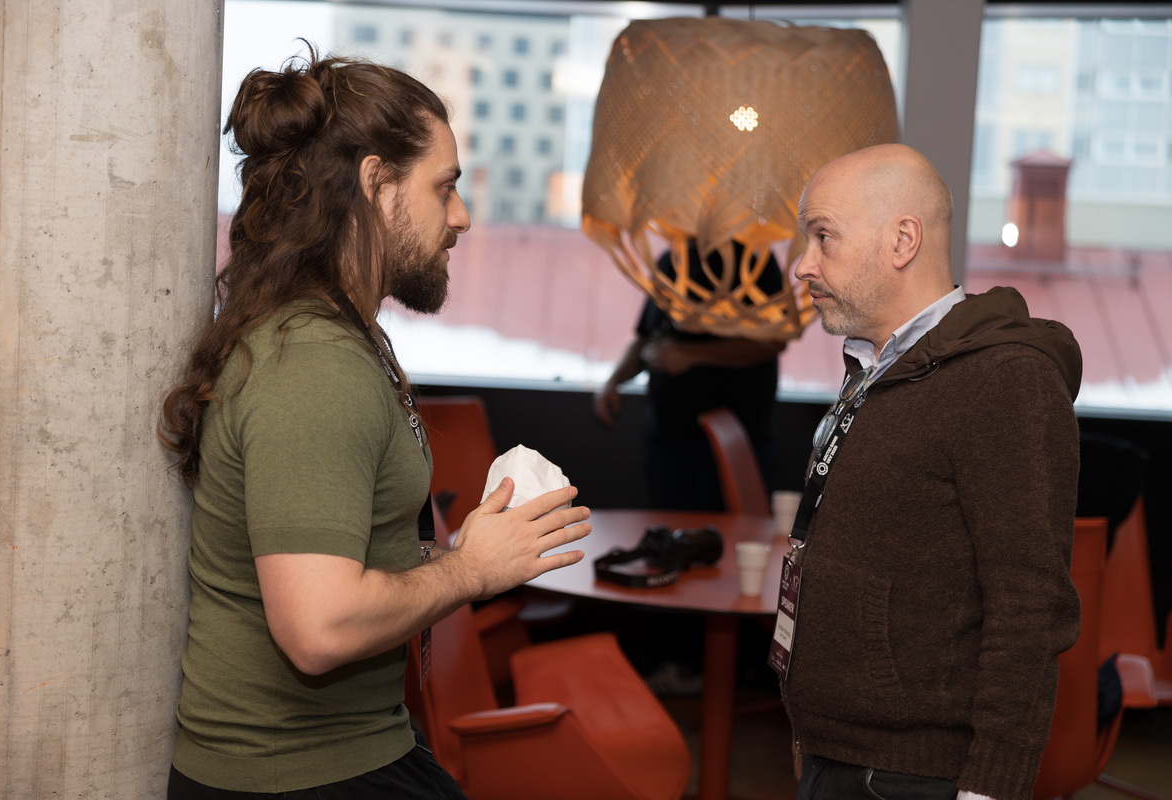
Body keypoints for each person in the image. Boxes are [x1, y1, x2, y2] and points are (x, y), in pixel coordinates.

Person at [158, 46, 591, 799]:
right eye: (444, 187)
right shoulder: (313, 365)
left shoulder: (338, 337)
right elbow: (319, 628)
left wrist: (460, 552)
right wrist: (471, 570)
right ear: (375, 184)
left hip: (349, 752)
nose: (461, 216)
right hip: (295, 778)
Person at [782, 143, 1082, 800]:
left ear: (903, 240)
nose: (803, 265)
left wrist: (991, 789)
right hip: (838, 754)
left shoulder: (1005, 380)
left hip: (913, 777)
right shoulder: (877, 369)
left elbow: (1029, 607)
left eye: (823, 236)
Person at [594, 241, 786, 511]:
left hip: (733, 437)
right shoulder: (670, 259)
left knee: (731, 528)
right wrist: (614, 381)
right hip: (666, 433)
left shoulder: (753, 260)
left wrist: (692, 354)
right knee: (669, 525)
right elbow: (646, 336)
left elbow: (774, 341)